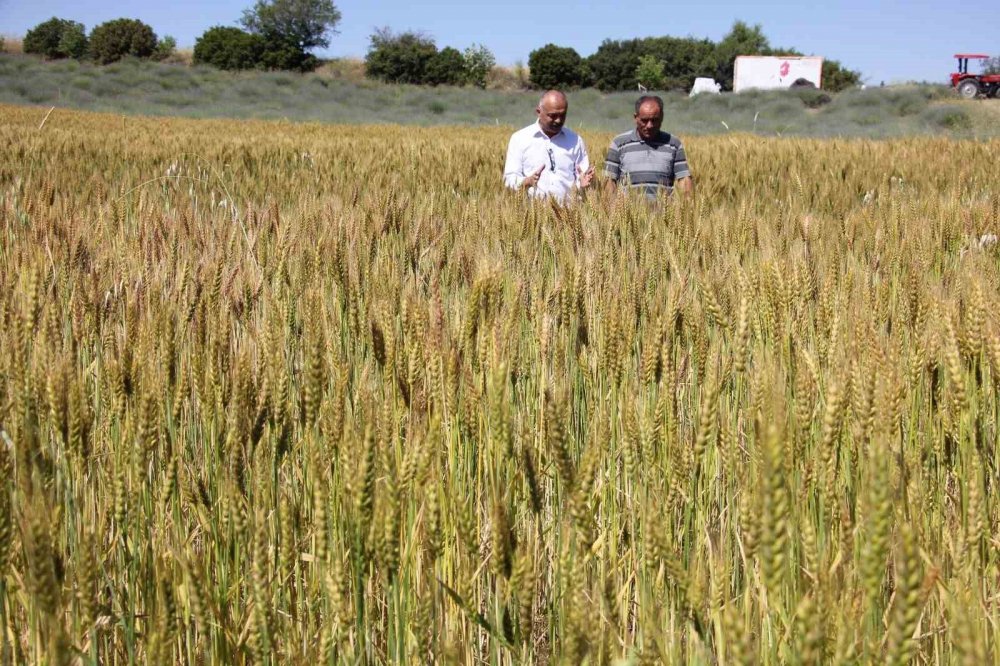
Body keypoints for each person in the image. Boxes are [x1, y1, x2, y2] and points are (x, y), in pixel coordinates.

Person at [503, 90, 594, 201]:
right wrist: (526, 182)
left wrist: (584, 185)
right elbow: (509, 179)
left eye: (562, 115)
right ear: (538, 112)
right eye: (553, 116)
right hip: (531, 211)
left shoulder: (575, 140)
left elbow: (582, 177)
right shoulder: (520, 139)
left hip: (568, 211)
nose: (558, 120)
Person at [604, 95, 693, 200]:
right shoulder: (619, 143)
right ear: (635, 118)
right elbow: (609, 181)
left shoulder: (673, 144)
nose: (649, 125)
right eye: (644, 120)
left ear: (662, 117)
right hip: (629, 210)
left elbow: (684, 180)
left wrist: (687, 205)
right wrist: (612, 206)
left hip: (664, 210)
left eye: (654, 120)